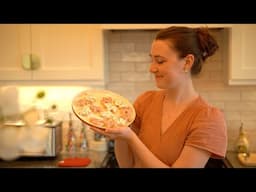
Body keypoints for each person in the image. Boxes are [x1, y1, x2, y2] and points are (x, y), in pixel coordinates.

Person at [90, 26, 227, 168]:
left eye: (160, 61)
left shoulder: (208, 118)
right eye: (152, 60)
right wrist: (119, 134)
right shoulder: (145, 101)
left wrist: (130, 137)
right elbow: (127, 164)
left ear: (187, 62)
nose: (152, 68)